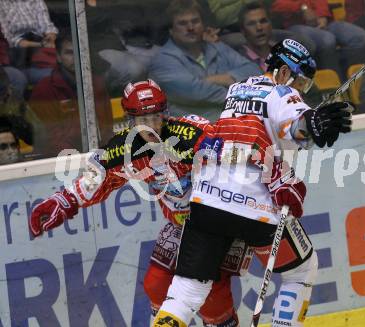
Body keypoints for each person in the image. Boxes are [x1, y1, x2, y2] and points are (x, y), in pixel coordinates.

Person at [152, 39, 353, 327]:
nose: (301, 91)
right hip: (255, 208)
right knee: (301, 271)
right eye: (302, 83)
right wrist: (312, 123)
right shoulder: (283, 92)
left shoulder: (236, 89)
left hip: (206, 201)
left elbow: (273, 125)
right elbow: (294, 123)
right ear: (284, 72)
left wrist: (310, 122)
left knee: (185, 292)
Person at [28, 79, 248, 327]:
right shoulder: (125, 146)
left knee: (211, 292)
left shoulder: (191, 132)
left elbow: (233, 155)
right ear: (130, 120)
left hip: (216, 223)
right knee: (156, 285)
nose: (152, 126)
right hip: (180, 225)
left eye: (156, 117)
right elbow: (97, 179)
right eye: (143, 120)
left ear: (166, 113)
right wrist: (64, 200)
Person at [149, 0, 261, 122]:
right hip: (192, 131)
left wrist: (227, 78)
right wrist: (247, 95)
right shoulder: (162, 61)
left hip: (234, 123)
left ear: (203, 25)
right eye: (182, 23)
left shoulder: (217, 47)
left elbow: (255, 70)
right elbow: (196, 93)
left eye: (195, 21)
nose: (191, 28)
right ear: (171, 30)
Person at [29, 31, 114, 157]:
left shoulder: (97, 83)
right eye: (69, 53)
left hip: (95, 157)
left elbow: (106, 128)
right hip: (57, 163)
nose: (76, 57)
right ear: (58, 57)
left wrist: (107, 154)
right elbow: (51, 140)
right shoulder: (44, 89)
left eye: (80, 51)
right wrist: (82, 159)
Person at [271, 0, 365, 78]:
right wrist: (302, 7)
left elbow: (321, 2)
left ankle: (349, 76)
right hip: (297, 25)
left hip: (326, 23)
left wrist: (323, 16)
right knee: (327, 40)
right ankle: (334, 83)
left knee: (360, 38)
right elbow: (277, 6)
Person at [0, 0, 58, 84]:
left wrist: (50, 36)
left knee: (56, 73)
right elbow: (9, 38)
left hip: (40, 47)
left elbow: (47, 27)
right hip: (17, 54)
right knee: (18, 78)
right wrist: (40, 44)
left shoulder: (36, 1)